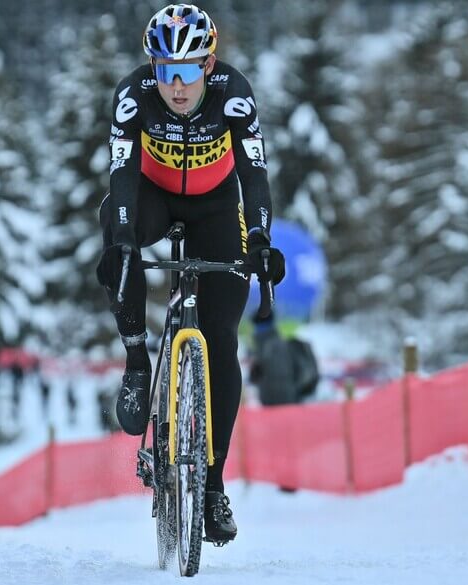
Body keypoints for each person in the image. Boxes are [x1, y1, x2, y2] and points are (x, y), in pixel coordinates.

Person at [95, 4, 285, 545]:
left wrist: (261, 242)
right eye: (165, 71)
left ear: (209, 65)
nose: (176, 87)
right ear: (152, 68)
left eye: (187, 71)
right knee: (118, 229)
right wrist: (124, 242)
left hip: (218, 207)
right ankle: (137, 357)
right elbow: (123, 176)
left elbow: (255, 174)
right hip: (153, 197)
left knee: (221, 338)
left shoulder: (234, 94)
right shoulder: (134, 97)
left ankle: (213, 486)